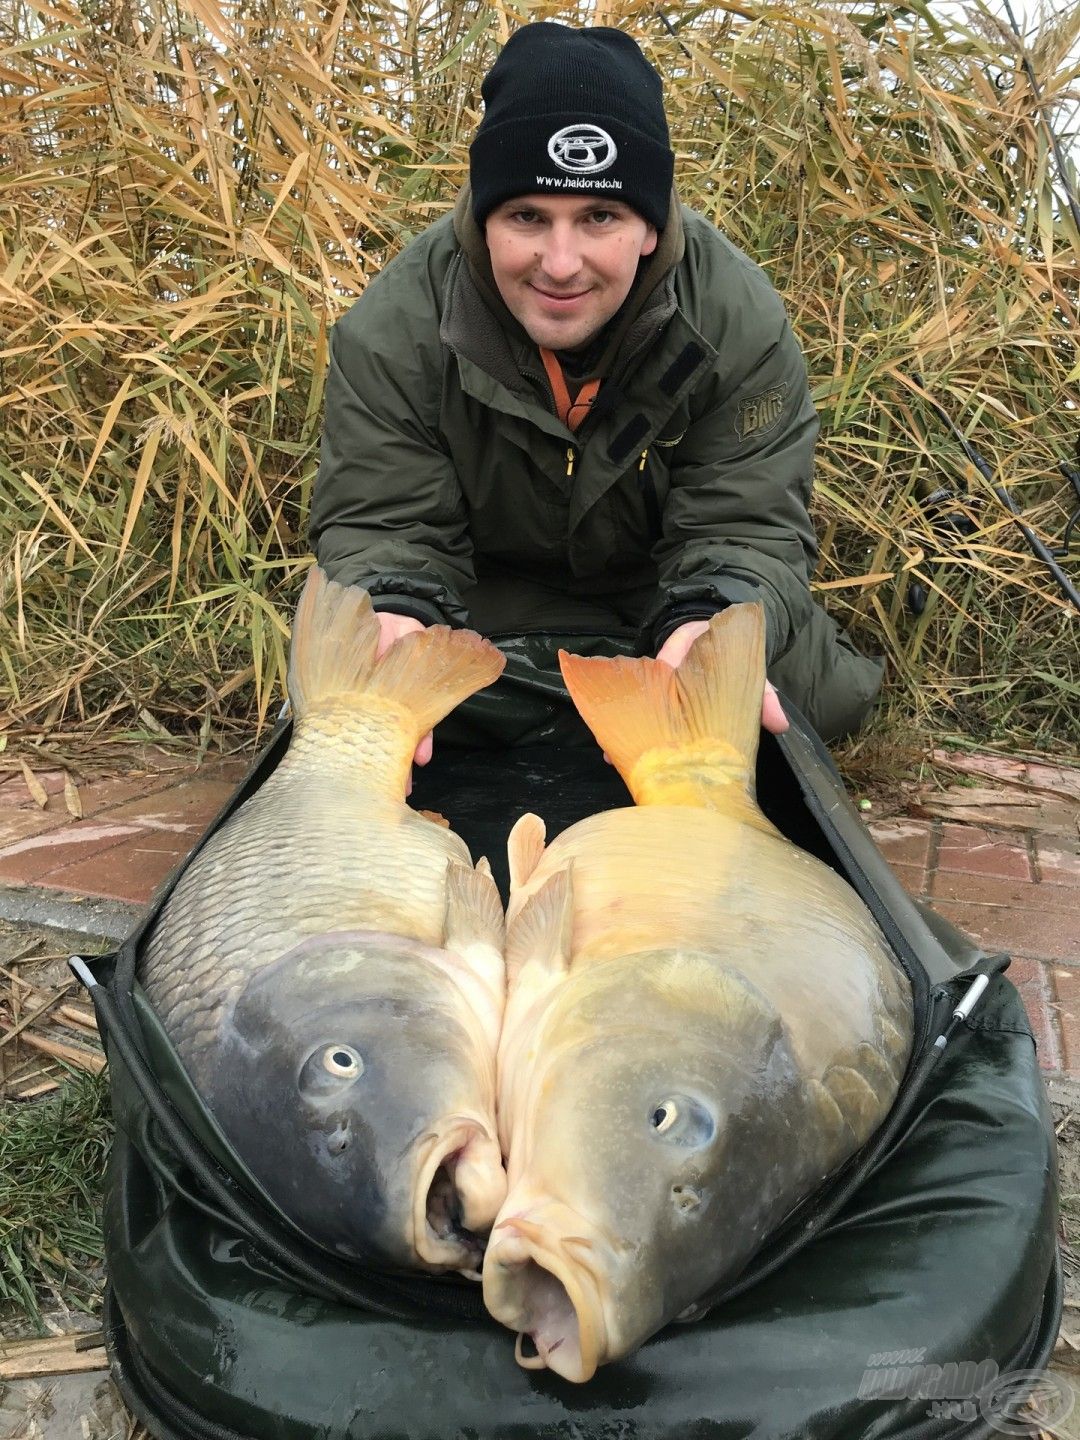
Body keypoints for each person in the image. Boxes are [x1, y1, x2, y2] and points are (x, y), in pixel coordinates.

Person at [309, 21, 883, 767]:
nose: (560, 262)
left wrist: (708, 635)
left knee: (801, 690)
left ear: (649, 225)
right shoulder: (396, 326)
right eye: (527, 217)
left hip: (662, 605)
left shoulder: (736, 316)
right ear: (485, 219)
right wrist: (394, 616)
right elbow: (386, 526)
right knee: (350, 668)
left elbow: (746, 525)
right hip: (490, 608)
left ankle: (668, 684)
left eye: (599, 217)